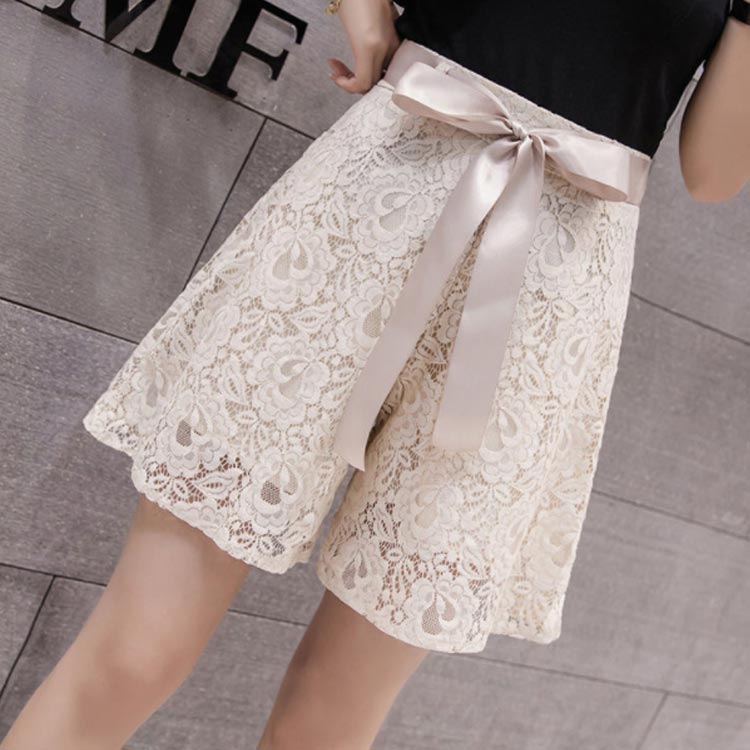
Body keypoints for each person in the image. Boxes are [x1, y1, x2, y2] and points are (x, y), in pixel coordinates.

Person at [3, 1, 748, 749]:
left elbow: (713, 174)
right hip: (377, 201)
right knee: (140, 649)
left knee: (331, 721)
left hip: (549, 301)